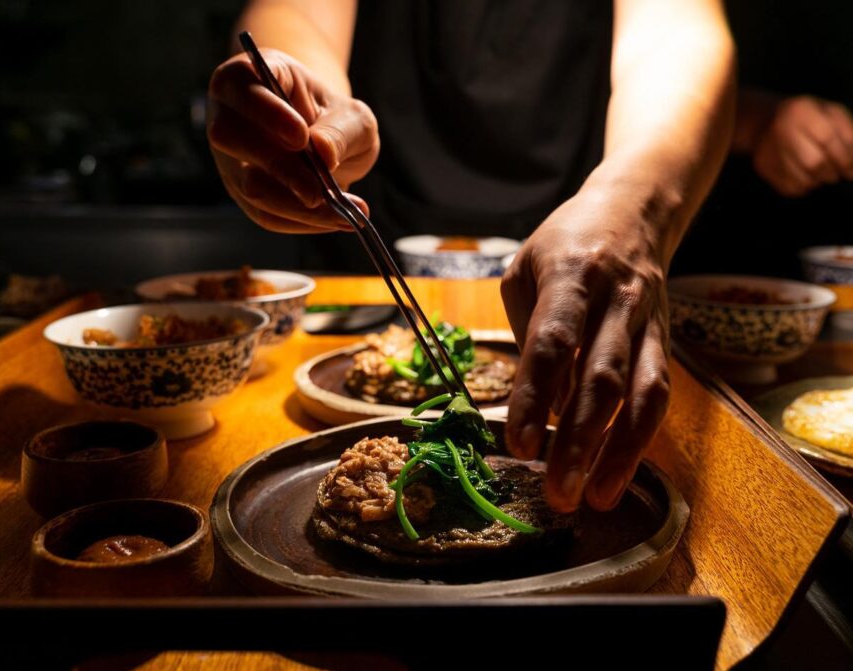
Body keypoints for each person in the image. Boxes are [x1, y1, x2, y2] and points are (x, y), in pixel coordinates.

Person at [207, 0, 735, 513]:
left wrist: (633, 205)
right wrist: (293, 105)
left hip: (582, 241)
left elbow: (674, 30)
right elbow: (293, 12)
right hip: (363, 233)